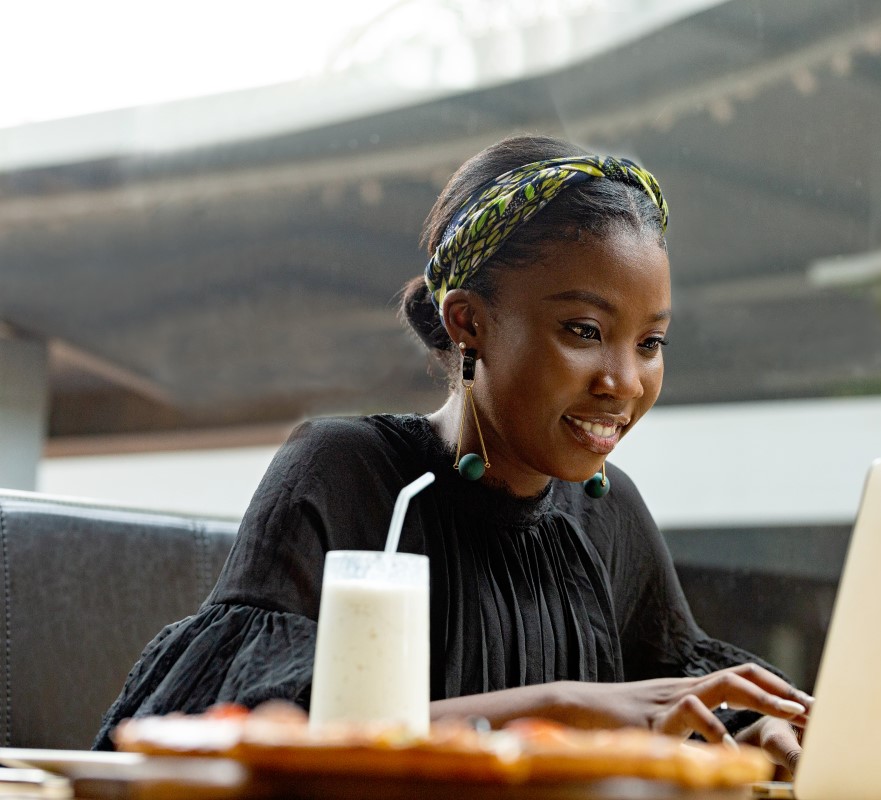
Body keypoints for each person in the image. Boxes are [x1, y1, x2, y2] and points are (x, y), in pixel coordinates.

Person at [95, 134, 811, 774]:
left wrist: (757, 728)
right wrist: (557, 713)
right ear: (468, 322)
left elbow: (679, 694)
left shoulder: (610, 513)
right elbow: (237, 738)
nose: (624, 381)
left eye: (649, 343)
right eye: (585, 330)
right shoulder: (344, 474)